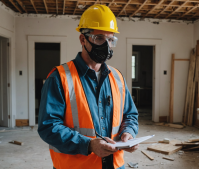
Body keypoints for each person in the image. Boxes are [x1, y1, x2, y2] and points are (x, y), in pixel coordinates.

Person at [37, 4, 139, 169]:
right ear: (82, 39)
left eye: (110, 39)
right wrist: (89, 145)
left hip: (114, 165)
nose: (106, 45)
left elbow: (130, 115)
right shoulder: (59, 78)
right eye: (99, 38)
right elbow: (48, 127)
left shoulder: (118, 77)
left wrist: (129, 133)